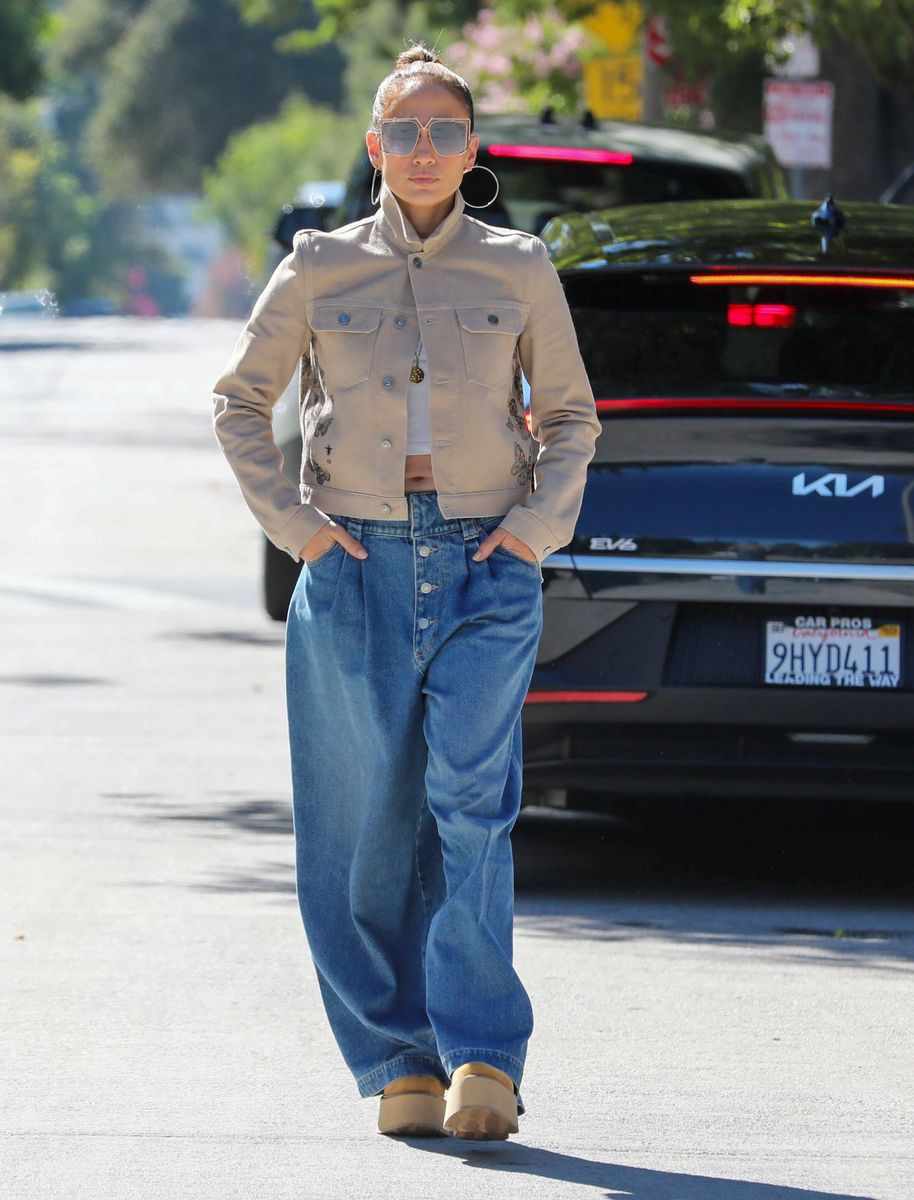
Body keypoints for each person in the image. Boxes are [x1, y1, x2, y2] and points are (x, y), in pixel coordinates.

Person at [211, 42, 601, 1141]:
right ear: (375, 148)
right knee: (360, 830)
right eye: (403, 131)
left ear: (471, 151)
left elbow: (569, 418)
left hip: (485, 567)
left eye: (444, 131)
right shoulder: (318, 265)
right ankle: (395, 1059)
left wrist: (530, 535)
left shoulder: (519, 266)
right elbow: (239, 403)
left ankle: (481, 1054)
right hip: (354, 566)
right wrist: (298, 531)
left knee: (472, 807)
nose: (423, 149)